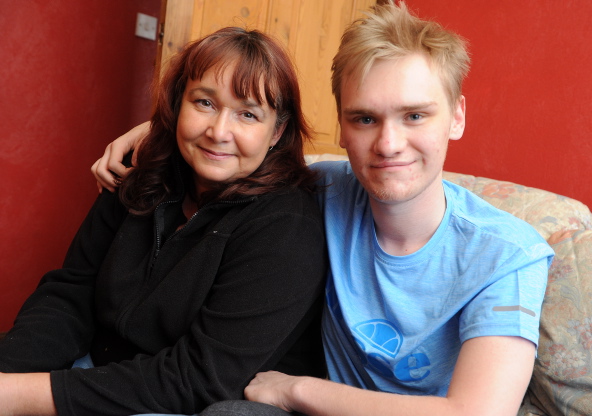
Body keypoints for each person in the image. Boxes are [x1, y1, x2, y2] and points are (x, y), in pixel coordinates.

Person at [93, 2, 555, 415]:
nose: (388, 144)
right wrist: (157, 135)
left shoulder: (509, 254)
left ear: (457, 116)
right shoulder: (326, 188)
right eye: (365, 119)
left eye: (415, 115)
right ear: (341, 125)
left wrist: (298, 391)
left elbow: (475, 414)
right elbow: (241, 149)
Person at [0, 27, 328, 416]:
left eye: (248, 114)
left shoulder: (286, 225)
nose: (218, 132)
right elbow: (70, 295)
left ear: (277, 132)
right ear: (178, 104)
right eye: (204, 103)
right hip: (100, 375)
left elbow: (199, 378)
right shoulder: (139, 174)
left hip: (194, 402)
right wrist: (8, 372)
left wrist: (19, 396)